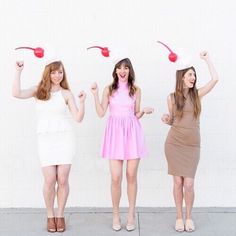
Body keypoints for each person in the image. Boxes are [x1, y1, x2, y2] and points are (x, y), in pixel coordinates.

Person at [12, 60, 86, 232]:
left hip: (65, 139)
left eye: (60, 72)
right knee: (49, 180)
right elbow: (16, 93)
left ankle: (60, 215)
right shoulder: (38, 90)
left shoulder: (66, 93)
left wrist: (82, 103)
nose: (57, 75)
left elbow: (78, 118)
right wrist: (18, 71)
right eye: (53, 72)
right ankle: (50, 215)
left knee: (62, 179)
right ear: (48, 73)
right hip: (45, 140)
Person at [90, 57, 153, 231]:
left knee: (131, 175)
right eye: (119, 68)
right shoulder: (108, 90)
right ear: (115, 71)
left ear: (130, 71)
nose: (122, 71)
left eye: (126, 68)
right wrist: (95, 94)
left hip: (132, 134)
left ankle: (131, 214)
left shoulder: (136, 90)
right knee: (116, 178)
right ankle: (116, 214)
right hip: (115, 135)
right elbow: (101, 112)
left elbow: (135, 114)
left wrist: (143, 112)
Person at [161, 51, 218, 232]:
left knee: (189, 183)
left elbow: (215, 79)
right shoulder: (171, 97)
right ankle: (179, 217)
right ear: (182, 77)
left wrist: (207, 59)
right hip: (174, 144)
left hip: (192, 146)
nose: (193, 78)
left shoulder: (197, 95)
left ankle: (189, 217)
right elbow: (172, 120)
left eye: (194, 74)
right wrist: (165, 119)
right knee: (178, 183)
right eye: (190, 74)